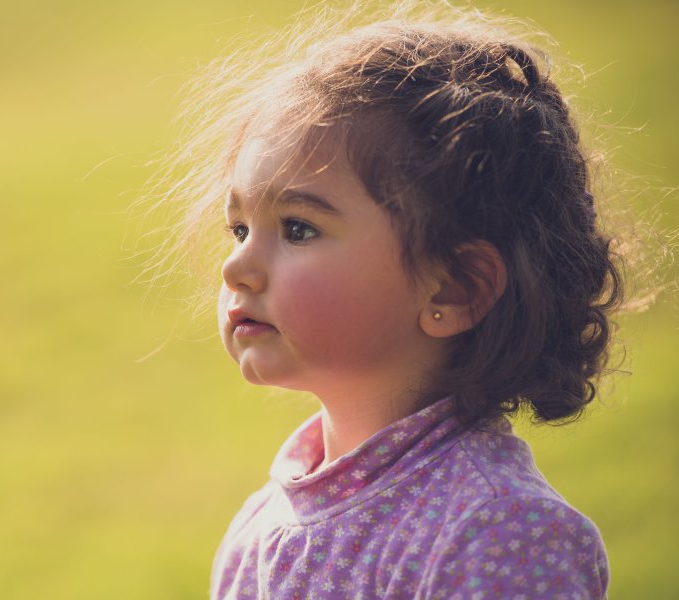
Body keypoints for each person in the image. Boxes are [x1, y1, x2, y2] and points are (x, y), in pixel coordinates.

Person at [149, 2, 636, 598]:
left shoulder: (496, 534)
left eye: (298, 228)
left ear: (453, 288)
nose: (236, 267)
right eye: (241, 229)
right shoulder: (260, 525)